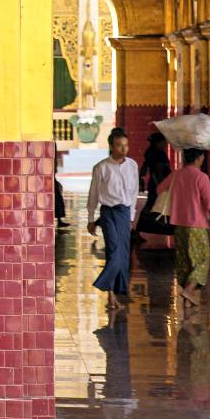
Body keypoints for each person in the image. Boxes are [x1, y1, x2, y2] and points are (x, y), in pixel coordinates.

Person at [160, 146, 210, 305]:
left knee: (184, 260)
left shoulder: (176, 175)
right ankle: (188, 290)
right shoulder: (201, 178)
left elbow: (160, 188)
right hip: (197, 226)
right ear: (198, 158)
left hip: (179, 225)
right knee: (202, 260)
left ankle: (188, 298)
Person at [86, 128, 140, 306]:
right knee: (114, 252)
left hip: (125, 213)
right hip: (108, 213)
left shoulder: (132, 165)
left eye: (126, 145)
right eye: (119, 145)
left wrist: (132, 216)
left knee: (122, 256)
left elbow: (134, 192)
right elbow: (93, 193)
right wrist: (91, 218)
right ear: (111, 146)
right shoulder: (101, 167)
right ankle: (103, 283)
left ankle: (112, 296)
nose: (123, 149)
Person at [137, 133, 174, 245]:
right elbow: (158, 171)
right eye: (163, 142)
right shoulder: (156, 154)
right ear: (158, 143)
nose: (165, 144)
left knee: (151, 205)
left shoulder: (153, 153)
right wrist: (162, 185)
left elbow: (144, 169)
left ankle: (138, 229)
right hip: (158, 184)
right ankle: (138, 229)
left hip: (158, 183)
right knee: (151, 205)